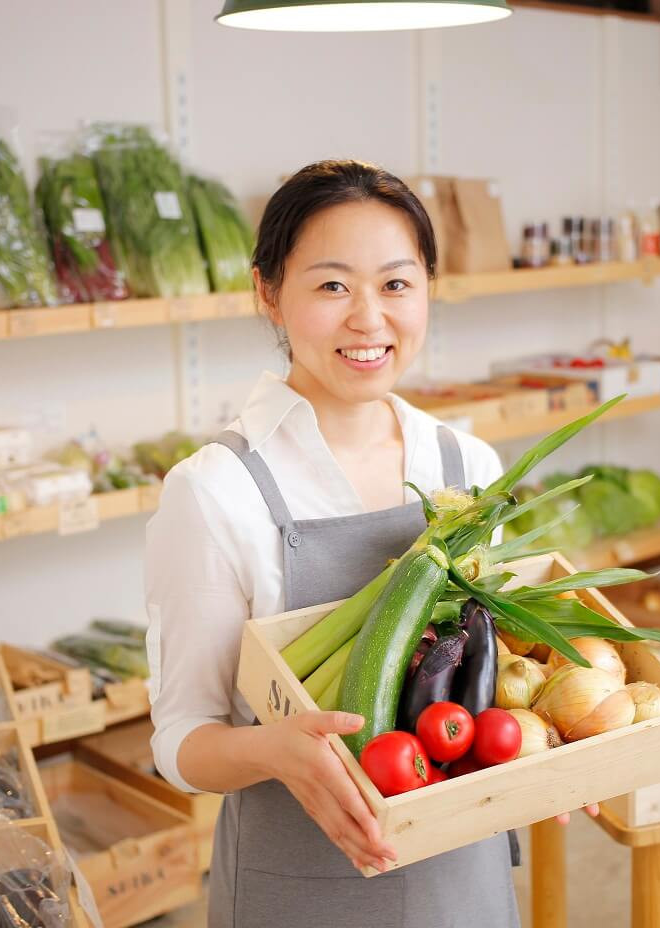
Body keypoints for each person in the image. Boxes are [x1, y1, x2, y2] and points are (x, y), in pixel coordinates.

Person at [146, 160, 588, 928]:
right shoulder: (216, 489)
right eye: (330, 286)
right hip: (300, 888)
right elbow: (181, 740)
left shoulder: (466, 467)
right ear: (268, 293)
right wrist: (273, 752)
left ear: (426, 289)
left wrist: (552, 749)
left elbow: (505, 665)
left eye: (394, 284)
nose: (368, 320)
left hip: (465, 881)